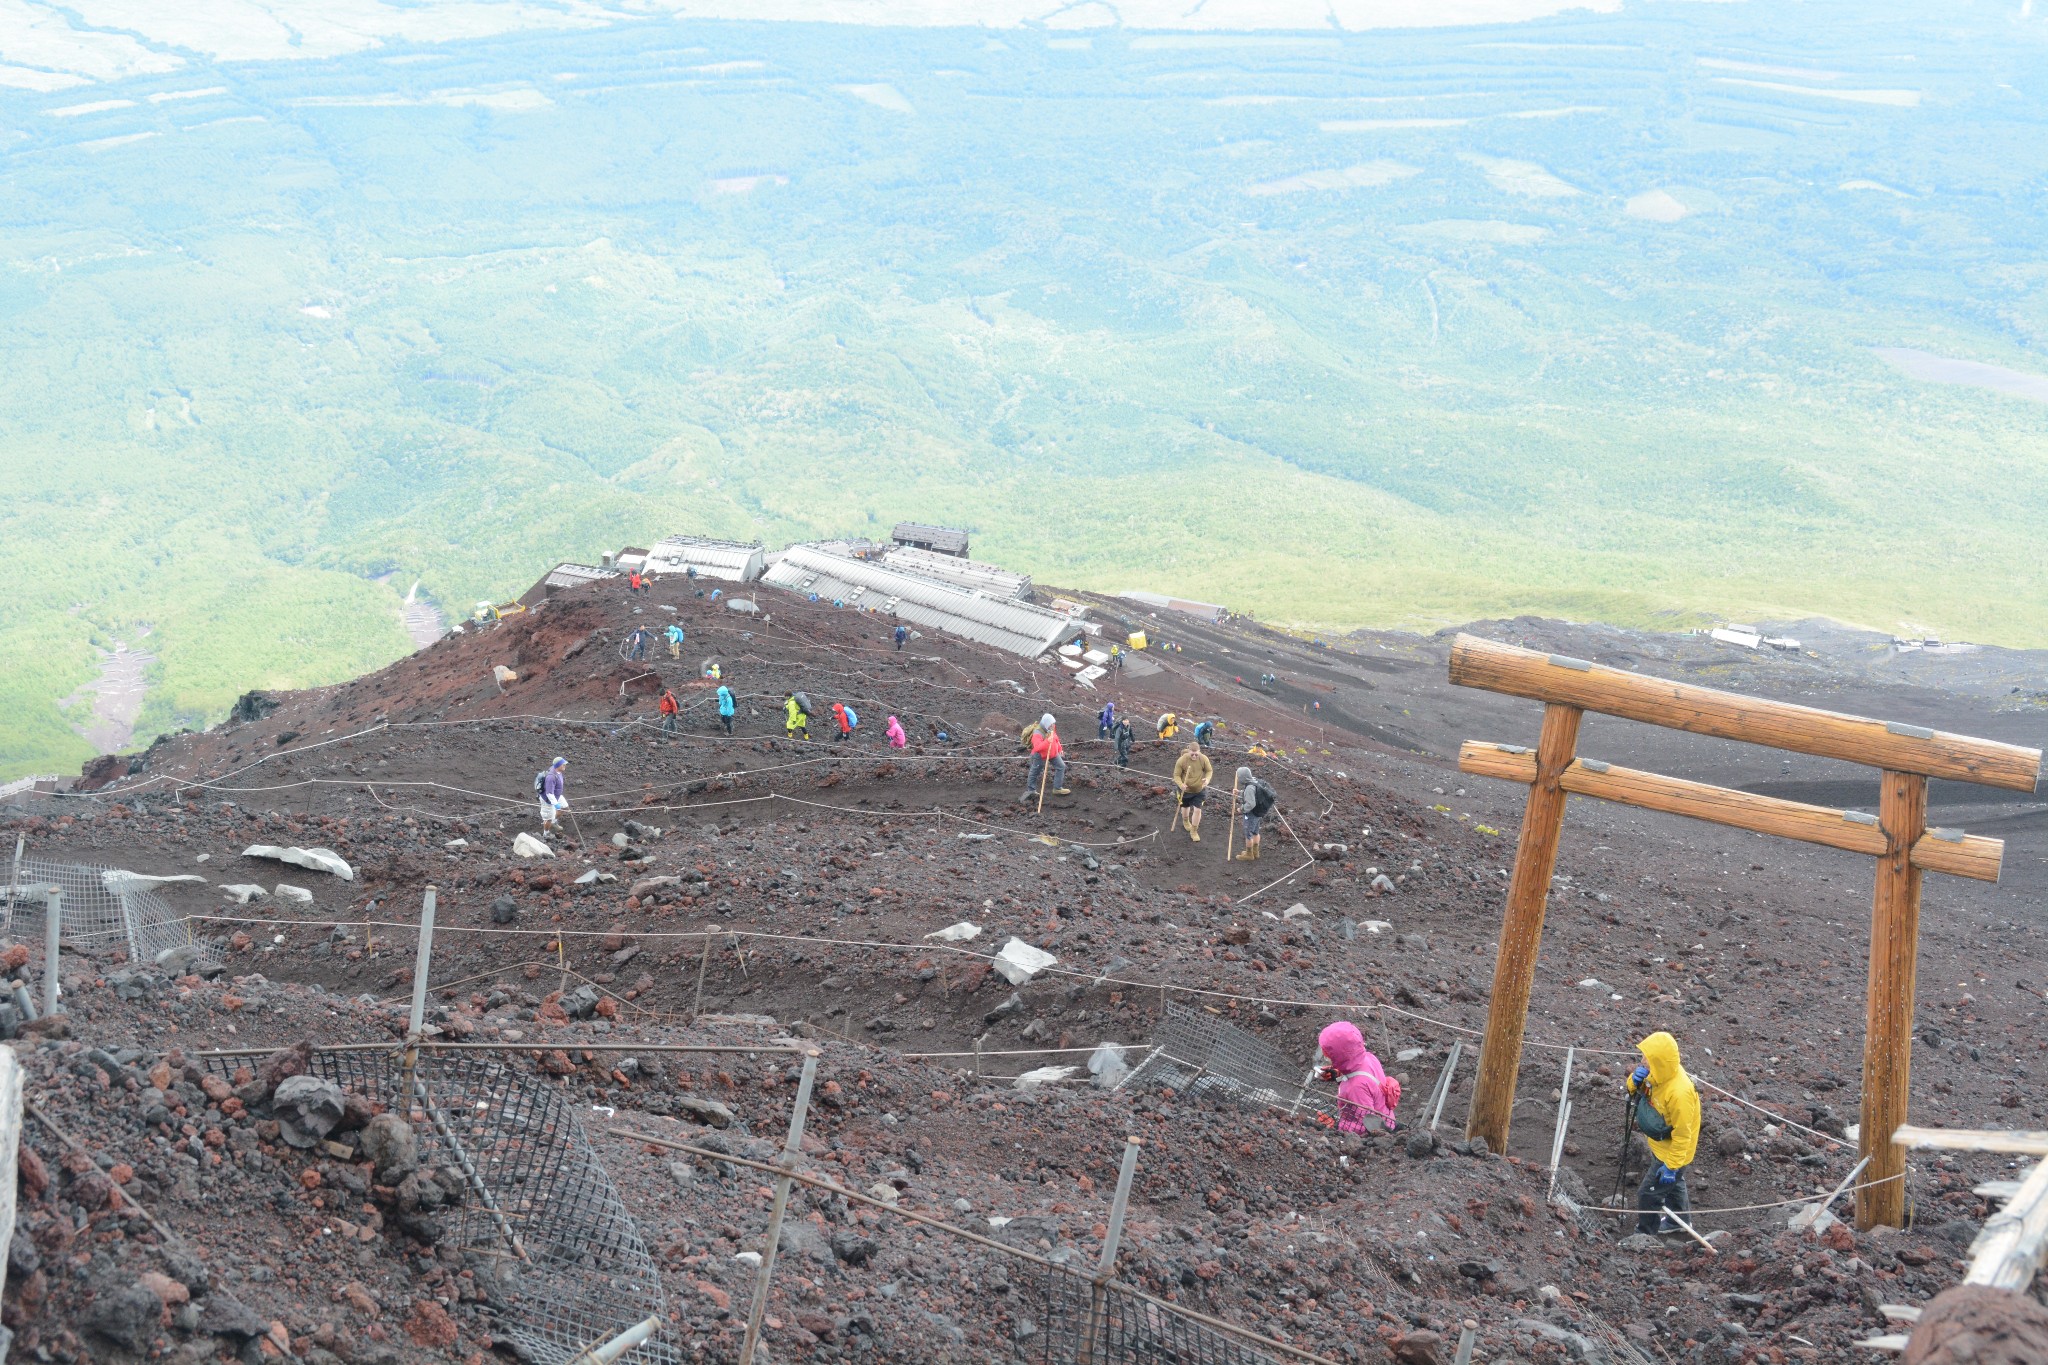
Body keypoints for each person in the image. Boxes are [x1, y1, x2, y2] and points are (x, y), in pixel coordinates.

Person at [1628, 1032, 1701, 1235]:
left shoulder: (1680, 1093)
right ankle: (1679, 1222)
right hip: (1659, 1146)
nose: (1643, 1061)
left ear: (1659, 1061)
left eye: (1647, 1058)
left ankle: (1645, 1235)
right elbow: (1633, 1091)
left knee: (1648, 1194)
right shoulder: (1657, 1073)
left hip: (1672, 1154)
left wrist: (1672, 1166)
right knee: (1675, 1185)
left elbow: (1683, 1135)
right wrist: (1634, 1081)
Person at [1314, 1021, 1399, 1134]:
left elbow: (1368, 1127)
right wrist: (1338, 1073)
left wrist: (1336, 1125)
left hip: (1379, 1135)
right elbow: (1365, 1075)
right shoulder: (1369, 1058)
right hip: (1388, 1119)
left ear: (1339, 1055)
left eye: (1328, 1055)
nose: (1325, 1057)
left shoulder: (1356, 1087)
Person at [1022, 712, 1070, 803]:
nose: (1053, 725)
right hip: (1039, 755)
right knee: (1035, 772)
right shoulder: (1037, 733)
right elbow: (1037, 748)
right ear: (1046, 723)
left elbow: (1056, 739)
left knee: (1061, 766)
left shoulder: (1052, 727)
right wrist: (1047, 741)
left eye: (1053, 723)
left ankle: (1057, 788)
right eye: (1051, 724)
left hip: (1052, 752)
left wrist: (1060, 749)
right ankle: (1031, 790)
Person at [1172, 741, 1212, 841]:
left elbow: (1209, 771)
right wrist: (1181, 785)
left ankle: (1194, 831)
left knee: (1198, 810)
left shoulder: (1203, 759)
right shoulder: (1181, 760)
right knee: (1185, 807)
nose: (1194, 756)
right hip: (1185, 790)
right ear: (1188, 751)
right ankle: (1186, 821)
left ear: (1199, 751)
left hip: (1199, 789)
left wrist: (1207, 779)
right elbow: (1176, 775)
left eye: (1196, 754)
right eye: (1192, 754)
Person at [1233, 766, 1276, 861]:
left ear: (1242, 778)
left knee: (1248, 834)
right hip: (1258, 813)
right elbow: (1253, 795)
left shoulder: (1249, 788)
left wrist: (1241, 809)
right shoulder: (1255, 781)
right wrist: (1240, 792)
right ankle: (1255, 852)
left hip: (1251, 814)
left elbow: (1250, 803)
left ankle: (1249, 854)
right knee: (1256, 832)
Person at [536, 757, 568, 832]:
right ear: (558, 765)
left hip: (556, 795)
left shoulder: (558, 771)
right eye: (563, 764)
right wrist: (556, 804)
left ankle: (554, 822)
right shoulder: (551, 777)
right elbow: (549, 793)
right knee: (548, 819)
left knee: (564, 807)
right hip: (547, 799)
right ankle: (546, 834)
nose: (565, 766)